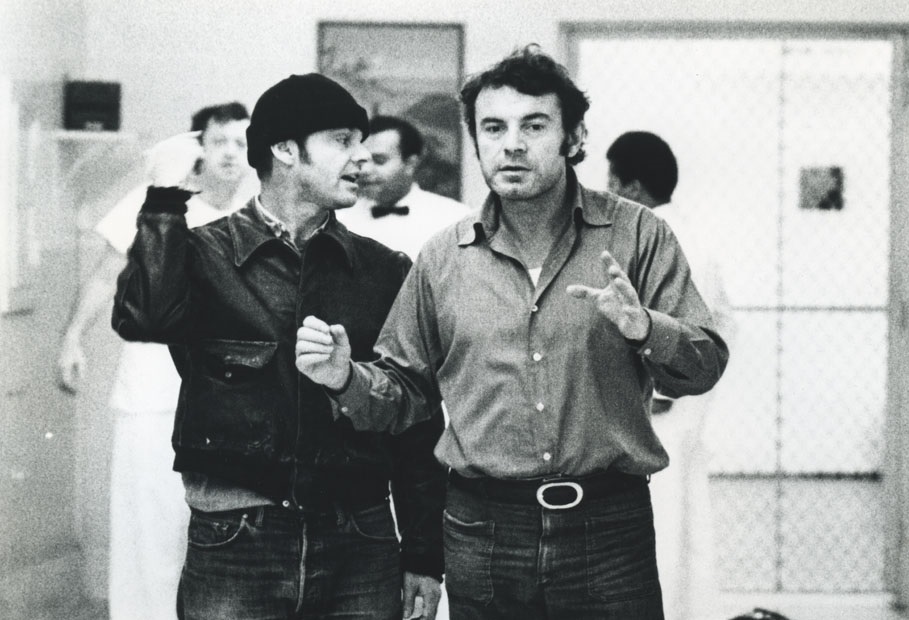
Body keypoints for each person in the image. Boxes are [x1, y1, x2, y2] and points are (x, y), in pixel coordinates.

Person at [296, 46, 729, 620]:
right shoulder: (443, 259)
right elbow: (405, 393)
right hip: (483, 531)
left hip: (608, 528)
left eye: (535, 125)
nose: (513, 144)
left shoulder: (638, 236)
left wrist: (646, 328)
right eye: (494, 127)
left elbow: (704, 365)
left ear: (574, 137)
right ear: (477, 141)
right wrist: (345, 379)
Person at [110, 74, 445, 620]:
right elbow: (142, 317)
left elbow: (417, 416)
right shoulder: (202, 254)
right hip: (236, 538)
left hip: (360, 540)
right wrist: (165, 200)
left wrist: (425, 555)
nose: (361, 156)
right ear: (286, 150)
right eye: (342, 140)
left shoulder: (384, 269)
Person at [57, 101, 256, 620]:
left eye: (241, 142)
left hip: (230, 404)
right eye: (219, 141)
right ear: (198, 147)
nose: (230, 153)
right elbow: (106, 276)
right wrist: (72, 337)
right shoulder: (153, 203)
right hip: (151, 397)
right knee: (148, 531)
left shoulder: (258, 215)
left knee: (218, 537)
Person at [607, 130, 735, 620]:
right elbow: (724, 323)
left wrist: (663, 388)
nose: (608, 192)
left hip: (658, 406)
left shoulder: (653, 239)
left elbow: (679, 324)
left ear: (633, 186)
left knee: (658, 523)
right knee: (687, 521)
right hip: (685, 404)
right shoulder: (696, 235)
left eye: (612, 180)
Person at [337, 115, 471, 259]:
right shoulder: (339, 219)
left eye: (379, 160)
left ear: (410, 164)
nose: (365, 171)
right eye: (361, 161)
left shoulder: (454, 219)